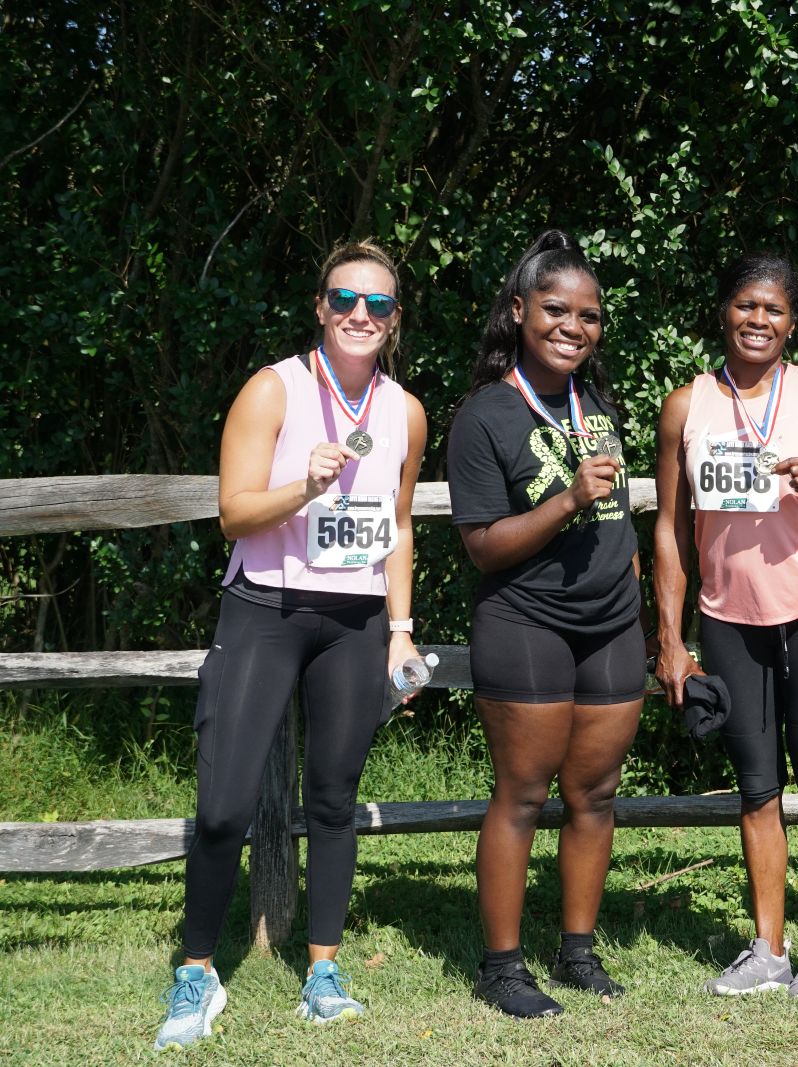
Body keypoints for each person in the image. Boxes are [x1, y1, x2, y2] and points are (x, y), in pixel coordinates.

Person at [154, 241, 428, 1050]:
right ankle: (196, 973)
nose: (360, 316)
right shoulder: (273, 389)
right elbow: (233, 513)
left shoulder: (404, 410)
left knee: (334, 799)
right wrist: (302, 486)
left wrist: (400, 631)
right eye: (345, 298)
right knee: (224, 805)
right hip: (264, 607)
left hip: (355, 619)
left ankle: (323, 972)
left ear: (395, 320)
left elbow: (401, 525)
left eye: (378, 305)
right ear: (319, 305)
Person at [654, 252, 798, 1003]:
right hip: (727, 617)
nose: (758, 320)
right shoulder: (687, 405)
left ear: (792, 322)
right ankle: (768, 946)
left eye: (773, 310)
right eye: (746, 305)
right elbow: (672, 530)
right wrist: (671, 638)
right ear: (724, 311)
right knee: (754, 786)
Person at [446, 229, 643, 1019]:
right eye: (556, 309)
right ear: (520, 311)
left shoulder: (596, 403)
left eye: (590, 316)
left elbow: (621, 515)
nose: (574, 326)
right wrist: (566, 500)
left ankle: (578, 952)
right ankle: (501, 967)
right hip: (525, 620)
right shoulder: (484, 415)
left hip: (611, 624)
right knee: (523, 793)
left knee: (595, 792)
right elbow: (483, 547)